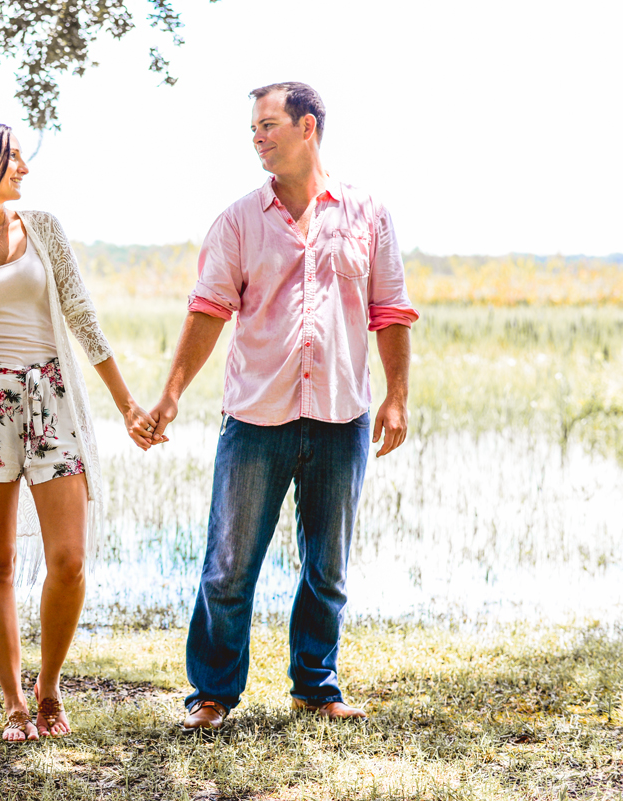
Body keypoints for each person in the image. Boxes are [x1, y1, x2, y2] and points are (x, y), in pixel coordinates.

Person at [148, 82, 419, 730]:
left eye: (268, 125)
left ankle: (315, 686)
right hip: (255, 419)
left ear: (308, 127)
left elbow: (392, 311)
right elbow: (208, 310)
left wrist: (397, 398)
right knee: (228, 564)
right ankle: (211, 694)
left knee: (328, 565)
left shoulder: (368, 214)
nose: (257, 138)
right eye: (253, 129)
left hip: (341, 415)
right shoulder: (238, 219)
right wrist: (171, 392)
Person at [0, 121, 160, 742]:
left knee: (69, 558)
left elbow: (82, 316)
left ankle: (49, 685)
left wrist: (127, 405)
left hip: (52, 399)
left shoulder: (45, 230)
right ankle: (14, 704)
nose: (25, 169)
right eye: (13, 158)